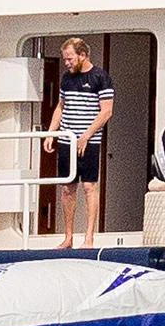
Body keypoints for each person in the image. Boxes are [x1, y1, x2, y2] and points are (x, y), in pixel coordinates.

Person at [46, 37, 116, 246]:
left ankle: (88, 237)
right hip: (68, 138)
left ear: (82, 55)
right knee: (68, 187)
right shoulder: (66, 78)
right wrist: (51, 133)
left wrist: (86, 135)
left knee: (89, 186)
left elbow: (106, 111)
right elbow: (61, 106)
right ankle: (68, 237)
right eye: (64, 59)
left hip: (90, 141)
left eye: (69, 59)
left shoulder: (100, 77)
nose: (66, 63)